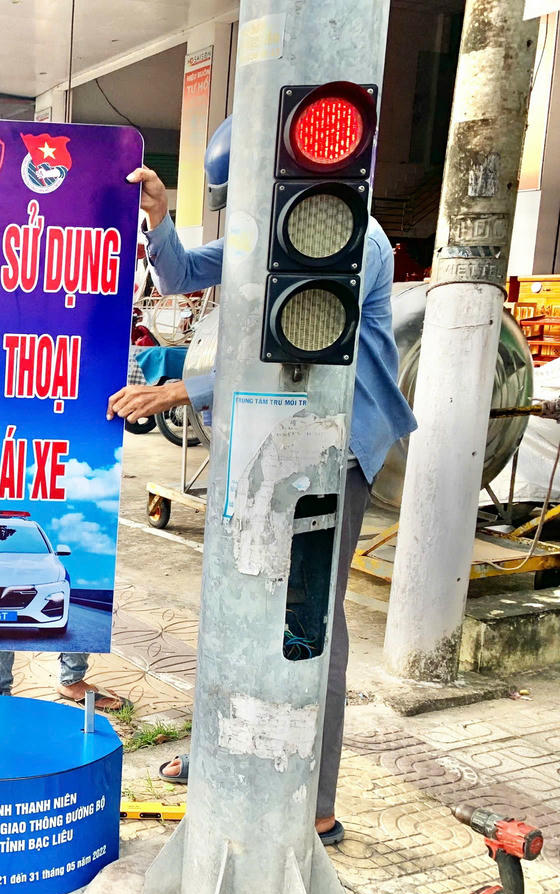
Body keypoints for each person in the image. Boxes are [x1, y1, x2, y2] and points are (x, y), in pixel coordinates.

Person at [108, 117, 417, 846]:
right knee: (237, 597)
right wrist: (159, 216)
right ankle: (225, 750)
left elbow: (301, 360)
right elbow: (184, 273)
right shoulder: (265, 233)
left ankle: (316, 796)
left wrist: (184, 391)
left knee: (309, 619)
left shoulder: (353, 239)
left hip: (333, 449)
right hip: (262, 442)